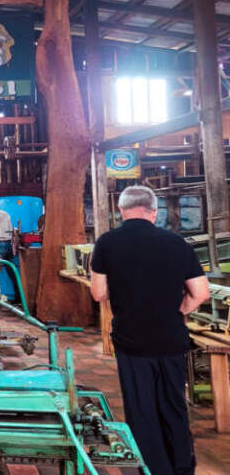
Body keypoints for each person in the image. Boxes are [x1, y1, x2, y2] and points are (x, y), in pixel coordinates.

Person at [90, 185, 210, 475]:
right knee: (173, 405)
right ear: (154, 212)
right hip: (171, 339)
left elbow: (98, 293)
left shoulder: (107, 243)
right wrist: (180, 309)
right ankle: (182, 466)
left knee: (142, 410)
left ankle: (152, 468)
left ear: (121, 211)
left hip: (132, 342)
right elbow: (201, 293)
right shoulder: (177, 243)